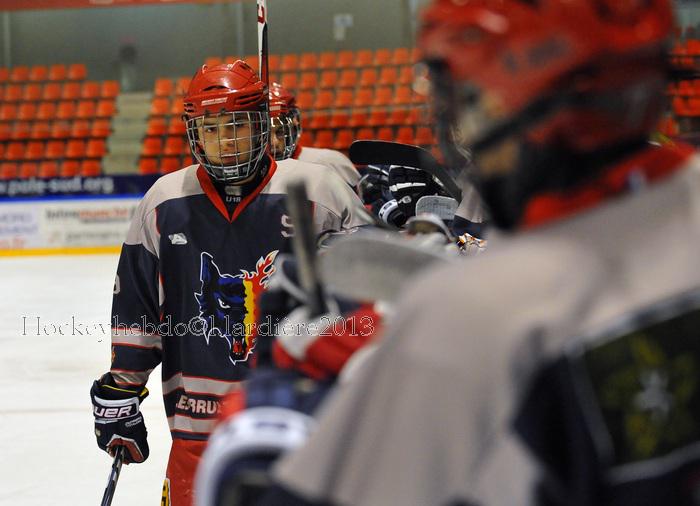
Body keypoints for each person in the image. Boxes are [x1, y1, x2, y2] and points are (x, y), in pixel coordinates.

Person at [263, 1, 700, 505]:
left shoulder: (478, 312)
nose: (462, 124)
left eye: (473, 98)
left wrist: (303, 385)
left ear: (539, 97)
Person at [89, 60, 372, 506]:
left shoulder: (318, 189)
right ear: (194, 133)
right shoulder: (164, 201)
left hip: (303, 417)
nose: (226, 141)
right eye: (212, 128)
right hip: (196, 430)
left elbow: (366, 301)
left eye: (237, 125)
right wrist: (122, 387)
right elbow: (137, 307)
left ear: (262, 124)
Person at [268, 82, 361, 188]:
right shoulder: (250, 178)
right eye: (266, 135)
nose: (273, 143)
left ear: (294, 126)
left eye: (281, 132)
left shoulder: (330, 162)